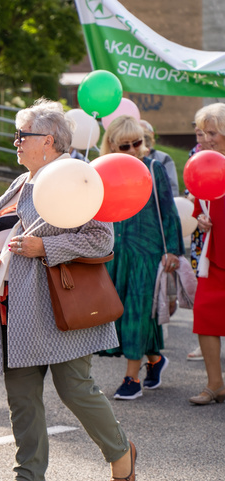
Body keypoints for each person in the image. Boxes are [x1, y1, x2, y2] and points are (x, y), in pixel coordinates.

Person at [0, 99, 137, 481]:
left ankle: (121, 453)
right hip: (13, 305)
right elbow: (1, 232)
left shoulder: (75, 177)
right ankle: (29, 477)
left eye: (21, 135)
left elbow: (102, 239)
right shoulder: (21, 181)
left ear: (47, 140)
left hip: (56, 307)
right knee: (21, 396)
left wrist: (44, 246)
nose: (15, 142)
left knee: (75, 388)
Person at [98, 116, 183, 400]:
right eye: (126, 145)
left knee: (136, 310)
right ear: (111, 145)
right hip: (116, 252)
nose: (135, 149)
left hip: (147, 251)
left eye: (138, 142)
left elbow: (168, 211)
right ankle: (155, 360)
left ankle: (131, 378)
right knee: (122, 312)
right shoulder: (101, 171)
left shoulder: (154, 167)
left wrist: (173, 249)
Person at [188, 103, 225, 405]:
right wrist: (200, 217)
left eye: (213, 132)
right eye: (204, 132)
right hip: (214, 255)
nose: (206, 139)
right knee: (204, 316)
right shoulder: (202, 164)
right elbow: (198, 207)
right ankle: (215, 384)